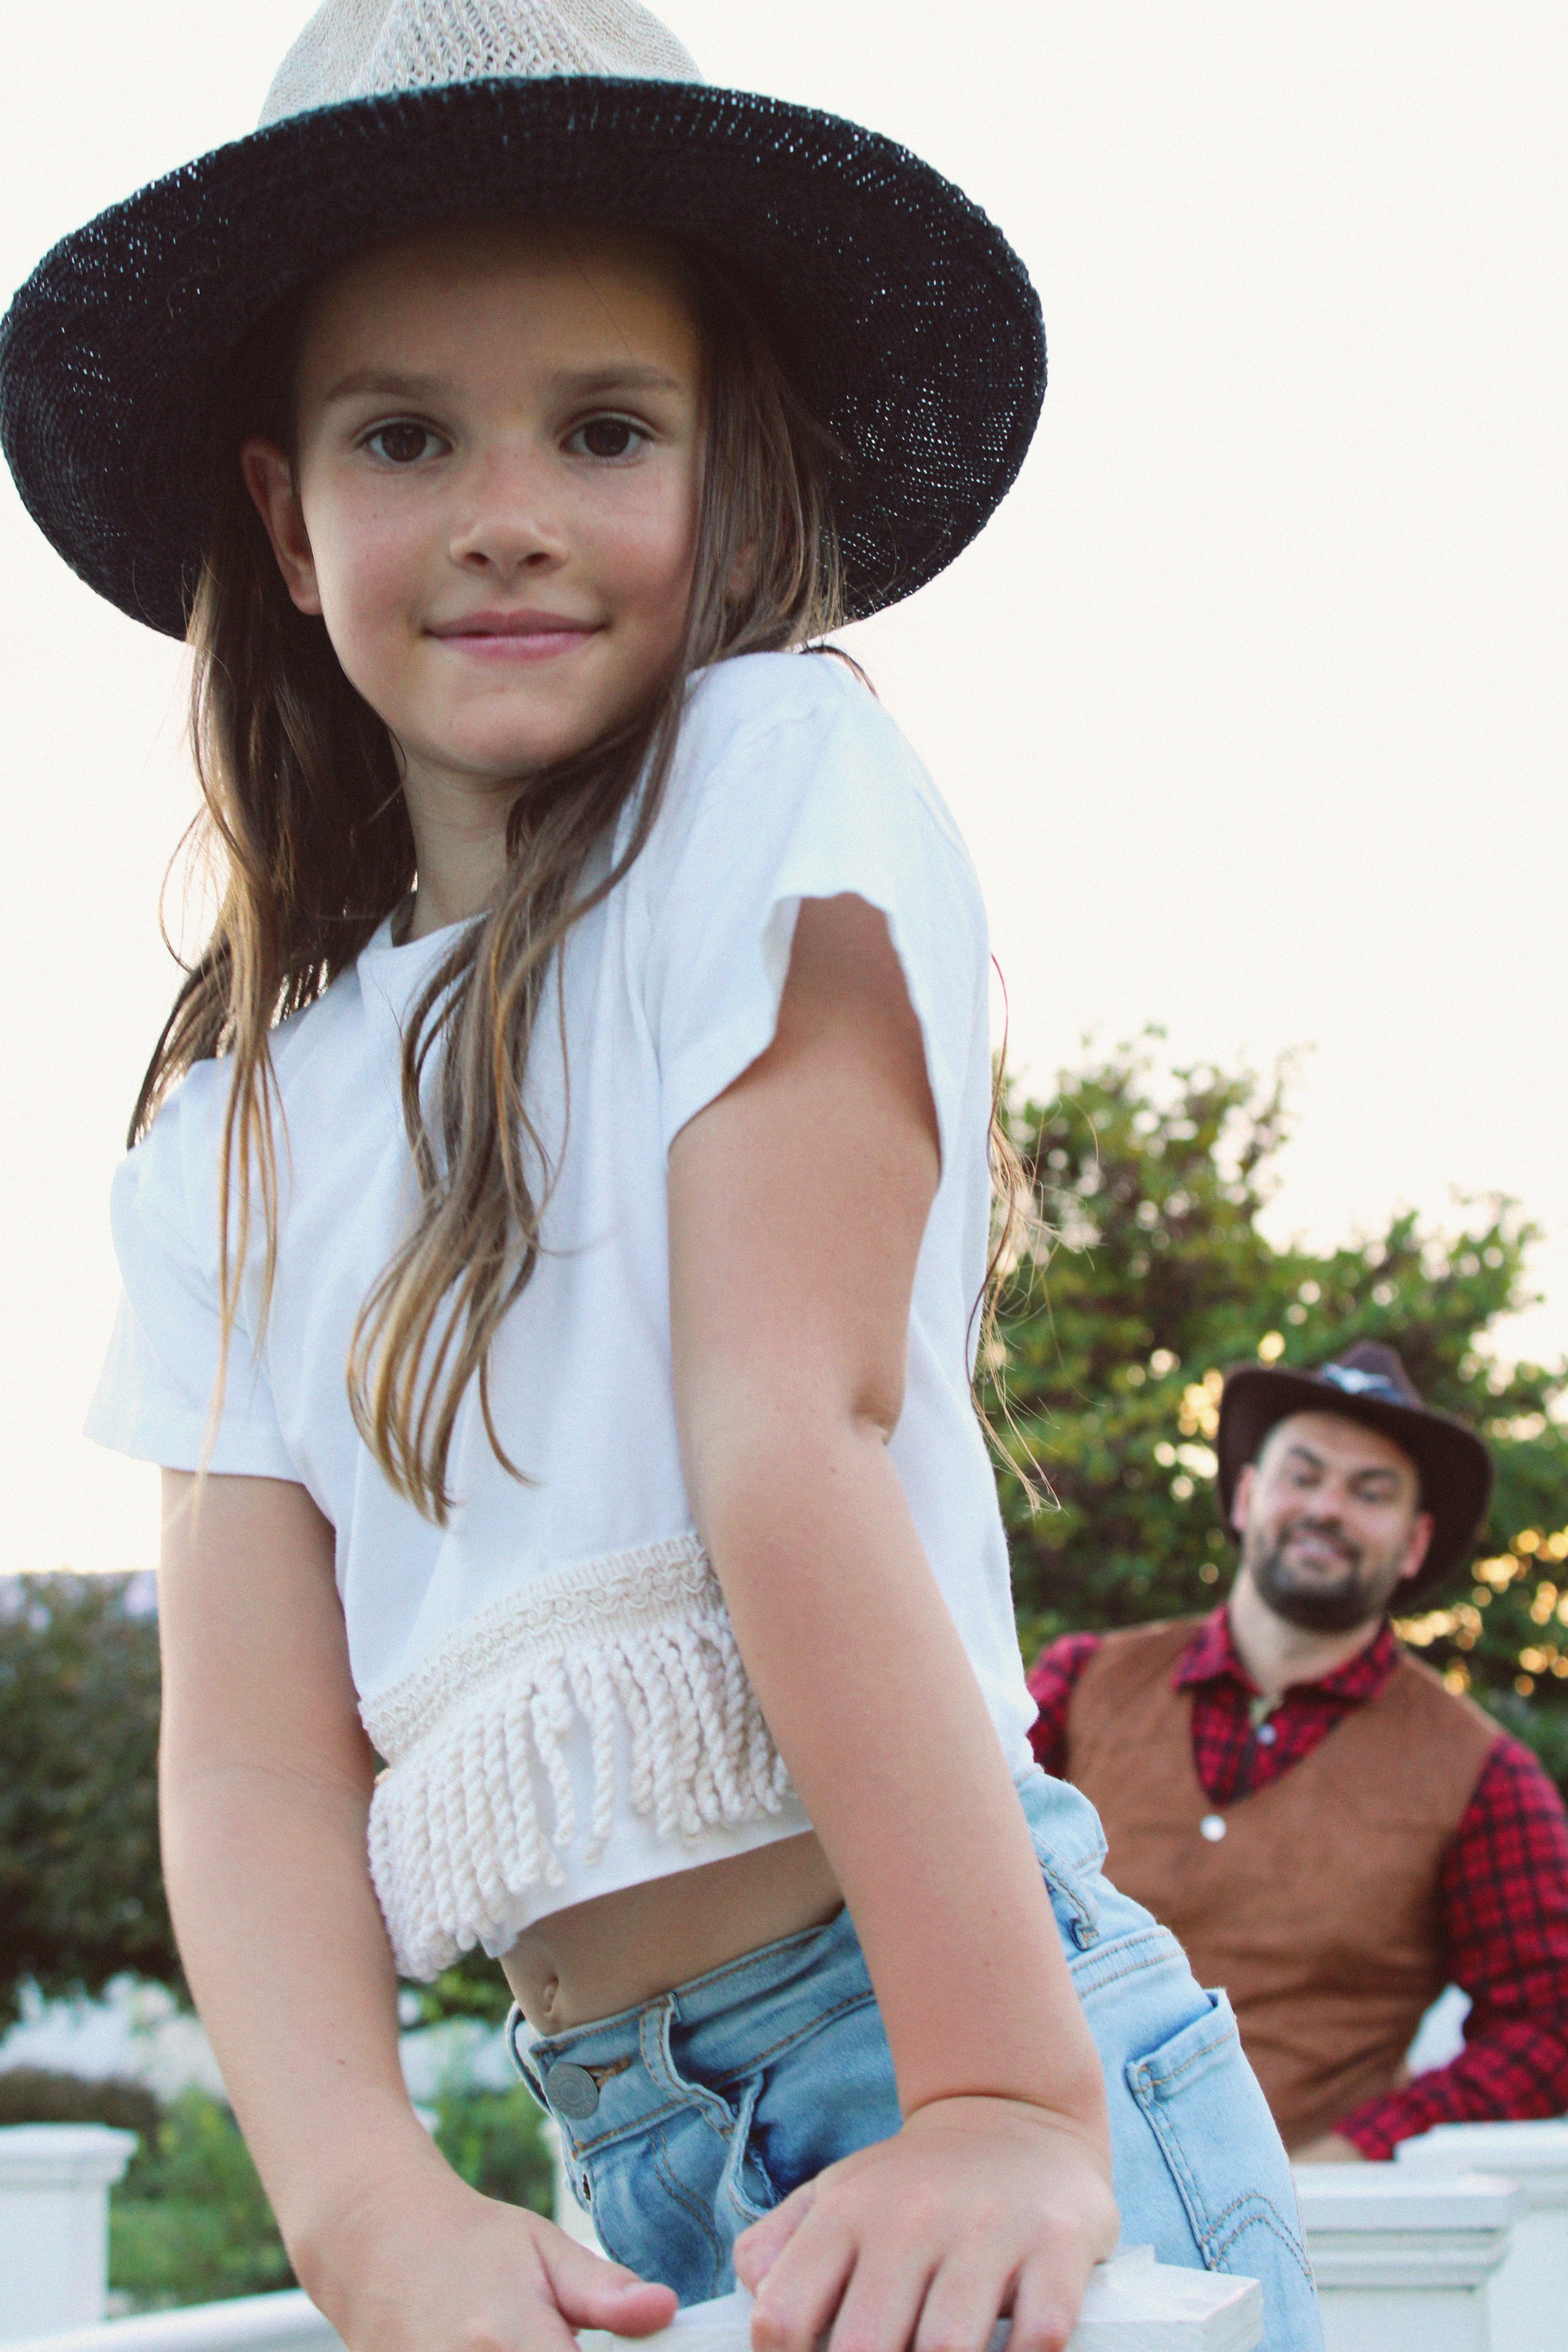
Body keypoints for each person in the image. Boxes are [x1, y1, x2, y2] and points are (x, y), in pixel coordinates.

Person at [0, 4, 1321, 2348]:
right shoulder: (233, 1134)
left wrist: (1006, 2095)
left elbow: (777, 1438)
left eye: (603, 428)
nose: (506, 502)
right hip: (609, 2144)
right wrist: (359, 2203)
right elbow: (250, 1755)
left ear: (729, 483)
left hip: (944, 2029)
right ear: (292, 526)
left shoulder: (770, 785)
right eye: (406, 435)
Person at [1030, 1340, 1568, 2160]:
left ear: (1415, 1543)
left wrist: (1366, 2147)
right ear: (1247, 1496)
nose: (1327, 1508)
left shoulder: (1484, 1776)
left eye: (1371, 1493)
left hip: (1311, 2241)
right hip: (1042, 2194)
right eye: (1303, 1475)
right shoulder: (1079, 1685)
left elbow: (1550, 2027)